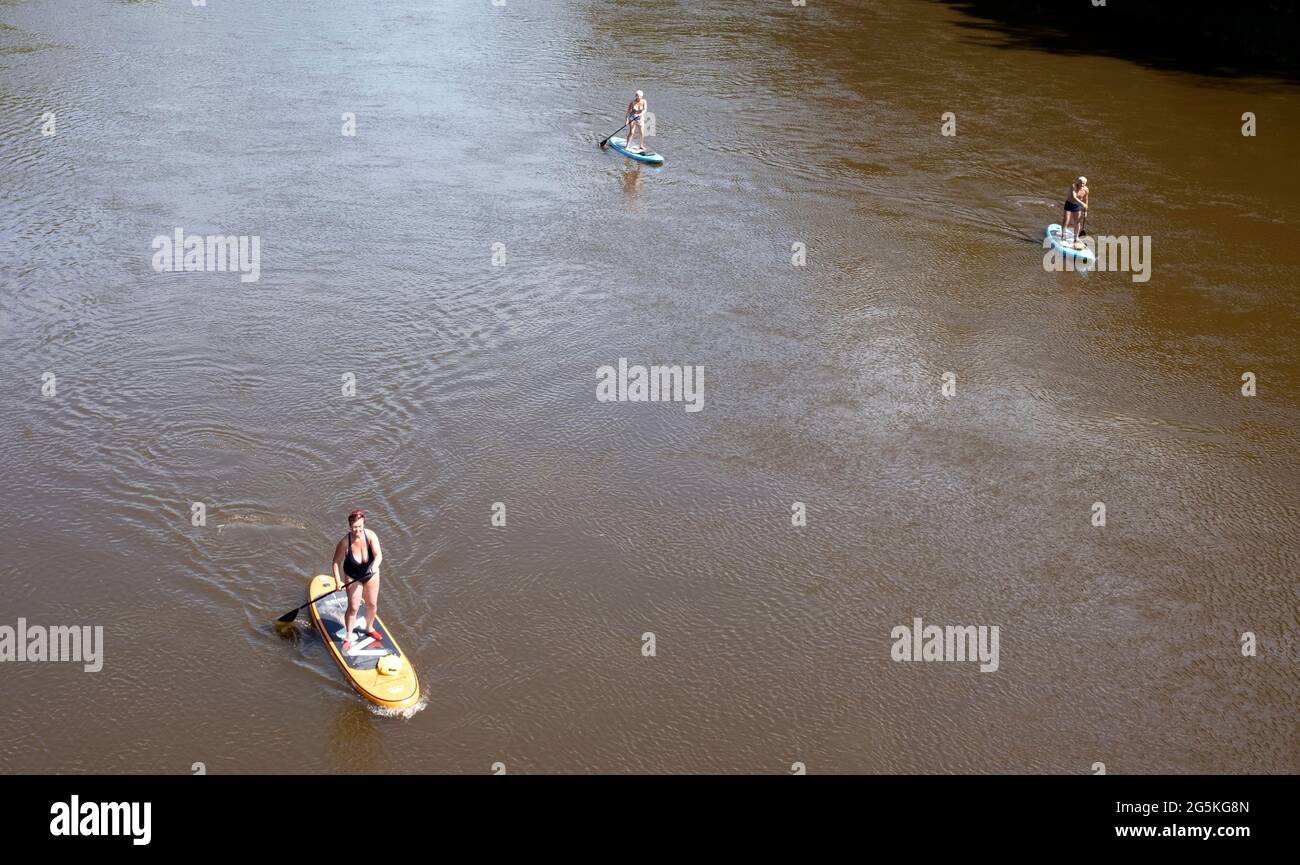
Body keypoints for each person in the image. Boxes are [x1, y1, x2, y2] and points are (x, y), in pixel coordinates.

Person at [331, 509, 383, 651]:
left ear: (363, 525)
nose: (357, 530)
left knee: (372, 604)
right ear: (350, 526)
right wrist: (337, 581)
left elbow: (378, 555)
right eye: (354, 527)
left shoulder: (371, 535)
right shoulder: (344, 543)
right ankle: (348, 637)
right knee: (353, 607)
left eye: (360, 527)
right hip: (353, 577)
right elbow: (336, 562)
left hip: (371, 574)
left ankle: (369, 628)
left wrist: (375, 566)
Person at [1062, 176, 1089, 246]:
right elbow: (1074, 197)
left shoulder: (1086, 189)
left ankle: (1076, 238)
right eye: (1080, 182)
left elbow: (1086, 199)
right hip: (1069, 204)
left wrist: (1085, 211)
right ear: (1077, 181)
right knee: (1066, 220)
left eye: (1083, 183)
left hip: (1077, 206)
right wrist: (1082, 204)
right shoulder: (1073, 186)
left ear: (1085, 183)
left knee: (1077, 222)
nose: (1081, 184)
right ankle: (1063, 235)